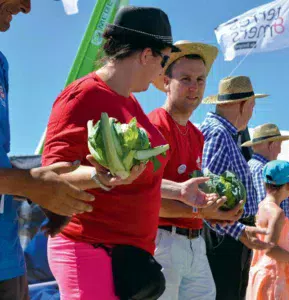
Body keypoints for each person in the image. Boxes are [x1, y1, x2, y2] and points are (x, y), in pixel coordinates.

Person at [42, 6, 212, 300]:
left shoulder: (130, 103)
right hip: (89, 248)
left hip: (127, 258)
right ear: (147, 55)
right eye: (163, 60)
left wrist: (179, 190)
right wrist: (99, 174)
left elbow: (134, 178)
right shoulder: (83, 95)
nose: (162, 71)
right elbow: (52, 173)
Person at [0, 1, 96, 299]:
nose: (27, 8)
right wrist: (31, 183)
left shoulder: (1, 63)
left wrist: (40, 187)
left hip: (8, 258)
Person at [149, 40, 243, 300]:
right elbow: (145, 198)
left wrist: (216, 212)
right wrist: (201, 210)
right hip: (162, 242)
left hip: (195, 242)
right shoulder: (154, 126)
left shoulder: (197, 134)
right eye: (186, 79)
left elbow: (192, 195)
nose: (195, 87)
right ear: (166, 82)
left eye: (201, 80)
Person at [200, 75, 272, 300]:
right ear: (241, 105)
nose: (252, 112)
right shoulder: (219, 134)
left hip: (230, 232)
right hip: (225, 235)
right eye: (252, 106)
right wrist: (237, 231)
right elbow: (208, 191)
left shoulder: (224, 134)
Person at [246, 160, 289, 300]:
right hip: (274, 277)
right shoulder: (277, 213)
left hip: (261, 272)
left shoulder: (262, 206)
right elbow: (270, 249)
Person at [242, 123, 289, 217]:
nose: (280, 151)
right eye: (279, 145)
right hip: (276, 230)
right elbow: (268, 213)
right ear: (272, 145)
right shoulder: (263, 170)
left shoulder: (249, 167)